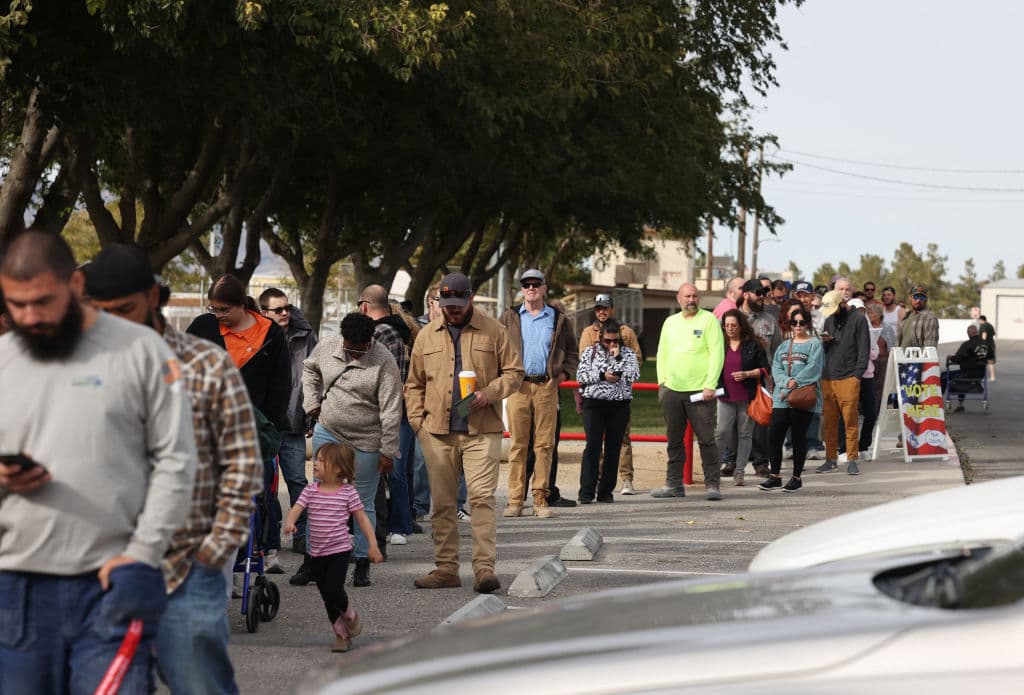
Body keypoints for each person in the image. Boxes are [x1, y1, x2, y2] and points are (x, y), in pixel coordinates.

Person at [0, 231, 197, 693]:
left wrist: (143, 555)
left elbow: (177, 460)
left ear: (74, 283)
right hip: (15, 594)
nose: (30, 317)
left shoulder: (142, 350)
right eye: (16, 304)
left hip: (112, 587)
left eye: (43, 301)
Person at [86, 245, 263, 694]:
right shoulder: (80, 366)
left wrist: (216, 549)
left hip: (187, 566)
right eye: (101, 312)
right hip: (99, 568)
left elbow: (242, 462)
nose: (114, 323)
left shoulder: (206, 365)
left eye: (124, 309)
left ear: (153, 296)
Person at [405, 272, 524, 593]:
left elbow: (515, 372)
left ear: (470, 298)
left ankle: (484, 570)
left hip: (481, 430)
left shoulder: (494, 331)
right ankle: (446, 569)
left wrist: (488, 393)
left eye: (458, 303)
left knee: (481, 499)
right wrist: (419, 424)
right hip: (437, 432)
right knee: (442, 504)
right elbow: (413, 384)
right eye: (447, 304)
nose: (453, 309)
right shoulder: (426, 336)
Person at [187, 275, 291, 573]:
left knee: (253, 497)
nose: (218, 316)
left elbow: (280, 383)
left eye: (223, 310)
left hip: (253, 428)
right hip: (206, 427)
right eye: (213, 309)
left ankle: (252, 553)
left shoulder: (269, 333)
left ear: (240, 305)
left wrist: (270, 426)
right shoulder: (203, 327)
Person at [303, 312, 401, 588]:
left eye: (361, 348)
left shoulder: (384, 360)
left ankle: (362, 563)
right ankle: (313, 561)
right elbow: (309, 368)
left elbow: (392, 409)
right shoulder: (328, 346)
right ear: (342, 339)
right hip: (329, 432)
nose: (355, 353)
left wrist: (388, 450)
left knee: (363, 503)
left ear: (371, 341)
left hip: (367, 440)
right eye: (350, 347)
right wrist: (310, 403)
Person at [283, 443, 383, 653]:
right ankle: (341, 634)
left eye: (320, 460)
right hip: (316, 553)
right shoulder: (310, 490)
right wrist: (290, 522)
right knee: (325, 594)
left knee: (334, 589)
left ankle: (350, 616)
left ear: (338, 468)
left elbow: (363, 520)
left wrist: (372, 545)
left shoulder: (348, 493)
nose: (315, 464)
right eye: (316, 459)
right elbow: (297, 508)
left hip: (339, 551)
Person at [499, 269, 578, 519]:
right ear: (521, 289)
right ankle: (515, 499)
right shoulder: (509, 317)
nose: (531, 288)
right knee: (518, 445)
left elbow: (572, 351)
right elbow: (495, 349)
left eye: (536, 284)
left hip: (546, 386)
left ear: (545, 287)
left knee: (545, 445)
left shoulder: (558, 318)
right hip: (518, 387)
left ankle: (540, 497)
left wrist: (563, 376)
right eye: (526, 284)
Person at [257, 288, 319, 586]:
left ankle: (304, 536)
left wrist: (309, 413)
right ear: (264, 312)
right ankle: (269, 537)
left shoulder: (305, 335)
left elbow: (314, 376)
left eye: (287, 308)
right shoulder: (257, 335)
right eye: (277, 309)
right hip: (265, 422)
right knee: (265, 485)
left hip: (293, 419)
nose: (285, 313)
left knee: (296, 479)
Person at [652, 283, 725, 501]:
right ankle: (673, 484)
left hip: (700, 391)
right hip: (672, 390)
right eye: (686, 296)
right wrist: (662, 383)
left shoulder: (709, 320)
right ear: (678, 299)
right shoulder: (669, 322)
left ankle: (712, 484)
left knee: (706, 440)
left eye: (694, 296)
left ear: (699, 298)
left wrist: (710, 384)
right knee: (674, 440)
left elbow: (716, 353)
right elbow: (661, 353)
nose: (690, 299)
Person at [358, 284, 415, 547]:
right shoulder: (400, 330)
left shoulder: (378, 335)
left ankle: (397, 525)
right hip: (403, 408)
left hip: (385, 410)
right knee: (398, 470)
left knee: (391, 470)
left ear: (364, 306)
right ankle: (400, 523)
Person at [578, 293, 644, 495]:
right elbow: (582, 371)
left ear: (611, 309)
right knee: (594, 445)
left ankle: (619, 482)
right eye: (598, 308)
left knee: (618, 443)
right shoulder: (589, 337)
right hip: (595, 401)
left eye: (605, 308)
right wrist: (602, 375)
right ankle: (588, 489)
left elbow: (635, 370)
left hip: (618, 402)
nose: (601, 311)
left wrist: (617, 361)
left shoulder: (627, 336)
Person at [759, 307, 824, 493]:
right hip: (782, 397)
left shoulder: (815, 344)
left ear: (807, 324)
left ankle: (796, 477)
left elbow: (814, 369)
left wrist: (794, 384)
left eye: (801, 322)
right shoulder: (783, 346)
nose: (797, 326)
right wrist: (787, 382)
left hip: (803, 396)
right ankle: (775, 476)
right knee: (774, 435)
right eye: (794, 322)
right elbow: (776, 368)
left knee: (798, 436)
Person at [815, 289, 870, 476]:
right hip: (828, 377)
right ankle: (830, 459)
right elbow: (826, 348)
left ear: (841, 303)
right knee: (829, 423)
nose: (829, 314)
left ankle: (852, 459)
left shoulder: (859, 320)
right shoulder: (830, 319)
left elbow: (864, 349)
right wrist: (826, 342)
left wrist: (856, 376)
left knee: (850, 421)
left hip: (848, 378)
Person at [715, 310, 770, 487]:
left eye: (733, 325)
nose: (730, 329)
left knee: (745, 435)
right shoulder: (719, 344)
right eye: (727, 325)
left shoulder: (753, 345)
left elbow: (764, 369)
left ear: (741, 325)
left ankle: (739, 472)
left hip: (747, 397)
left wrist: (747, 373)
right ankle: (713, 469)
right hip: (725, 396)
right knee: (721, 433)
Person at [848, 299, 880, 459]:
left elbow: (875, 353)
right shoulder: (846, 328)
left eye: (862, 311)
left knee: (871, 413)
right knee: (849, 413)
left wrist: (866, 347)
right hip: (851, 376)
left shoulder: (869, 329)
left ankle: (864, 446)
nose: (859, 313)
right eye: (856, 310)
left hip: (867, 376)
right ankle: (847, 447)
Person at [943, 325, 991, 412]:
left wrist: (950, 358)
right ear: (976, 332)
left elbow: (958, 358)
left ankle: (939, 402)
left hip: (967, 373)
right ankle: (960, 405)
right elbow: (991, 358)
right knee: (960, 378)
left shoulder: (967, 345)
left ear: (969, 333)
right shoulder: (986, 344)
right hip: (980, 374)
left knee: (944, 376)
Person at [978, 314, 996, 381]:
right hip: (991, 345)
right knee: (990, 362)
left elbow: (984, 335)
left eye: (979, 320)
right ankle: (992, 377)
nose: (978, 321)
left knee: (982, 361)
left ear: (981, 320)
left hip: (985, 346)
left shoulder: (983, 326)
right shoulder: (989, 325)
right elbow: (994, 333)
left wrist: (982, 344)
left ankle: (982, 377)